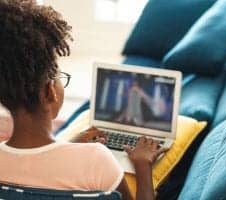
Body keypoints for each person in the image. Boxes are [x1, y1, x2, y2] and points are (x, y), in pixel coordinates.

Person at [0, 1, 168, 200]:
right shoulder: (95, 159)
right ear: (49, 91)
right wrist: (142, 166)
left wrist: (68, 145)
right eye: (59, 78)